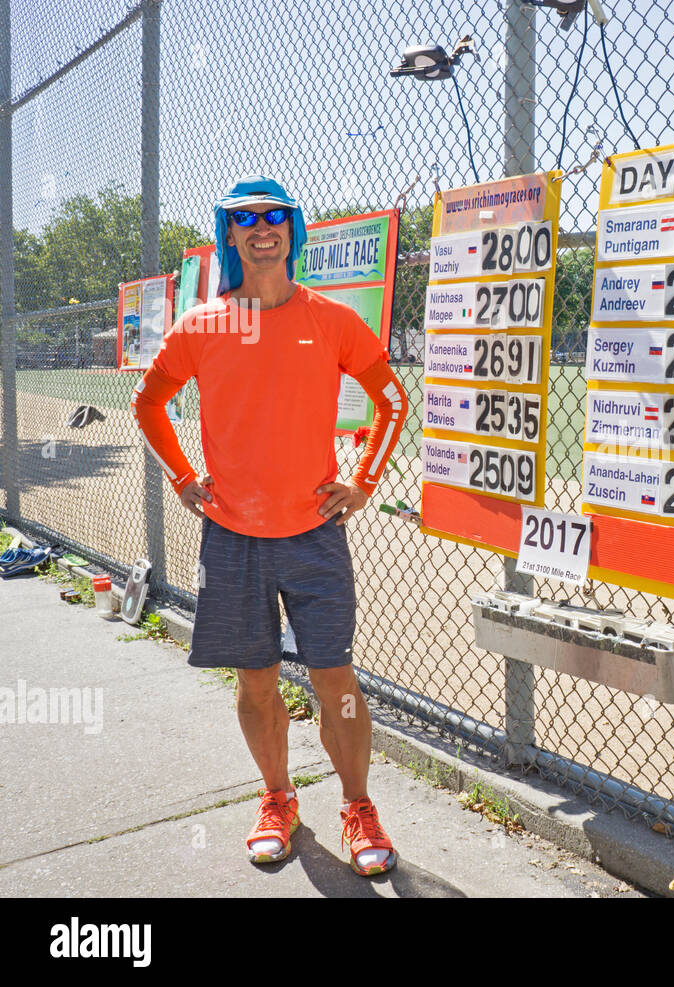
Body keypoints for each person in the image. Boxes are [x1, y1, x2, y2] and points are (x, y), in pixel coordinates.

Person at [131, 175, 409, 876]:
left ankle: (357, 807)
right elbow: (148, 403)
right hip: (231, 534)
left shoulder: (333, 319)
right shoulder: (203, 325)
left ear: (293, 228)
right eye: (245, 217)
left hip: (314, 532)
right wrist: (184, 478)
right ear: (229, 234)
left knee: (335, 679)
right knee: (256, 681)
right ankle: (277, 798)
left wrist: (363, 481)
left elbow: (392, 400)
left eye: (275, 215)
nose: (262, 226)